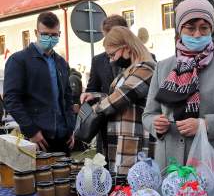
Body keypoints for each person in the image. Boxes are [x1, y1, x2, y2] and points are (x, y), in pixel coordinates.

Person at [142, 0, 214, 189]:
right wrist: (155, 123)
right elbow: (148, 114)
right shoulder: (163, 67)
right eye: (190, 27)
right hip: (170, 166)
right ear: (179, 29)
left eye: (204, 28)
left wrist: (204, 124)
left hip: (212, 164)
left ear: (211, 30)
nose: (197, 34)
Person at [4, 12, 75, 153]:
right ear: (36, 32)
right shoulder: (19, 60)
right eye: (45, 34)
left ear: (59, 33)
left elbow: (67, 98)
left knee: (65, 175)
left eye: (54, 35)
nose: (50, 38)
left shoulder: (61, 63)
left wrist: (71, 127)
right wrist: (31, 131)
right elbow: (11, 99)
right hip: (37, 137)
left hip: (63, 136)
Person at [92, 26, 155, 175]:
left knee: (131, 189)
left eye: (113, 54)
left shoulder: (147, 68)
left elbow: (122, 96)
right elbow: (114, 96)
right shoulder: (130, 70)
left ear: (127, 48)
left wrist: (94, 110)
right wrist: (96, 96)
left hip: (134, 142)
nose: (112, 60)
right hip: (121, 139)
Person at [80, 15, 128, 156]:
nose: (109, 42)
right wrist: (90, 96)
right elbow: (92, 90)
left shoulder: (142, 59)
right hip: (106, 128)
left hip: (132, 127)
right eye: (106, 37)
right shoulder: (98, 60)